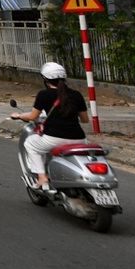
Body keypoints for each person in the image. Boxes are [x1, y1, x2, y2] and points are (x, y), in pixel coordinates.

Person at [13, 62, 89, 191]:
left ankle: (42, 177)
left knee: (30, 144)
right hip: (79, 138)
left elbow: (32, 117)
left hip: (54, 139)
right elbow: (85, 119)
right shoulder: (76, 94)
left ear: (45, 79)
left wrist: (19, 115)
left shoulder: (44, 94)